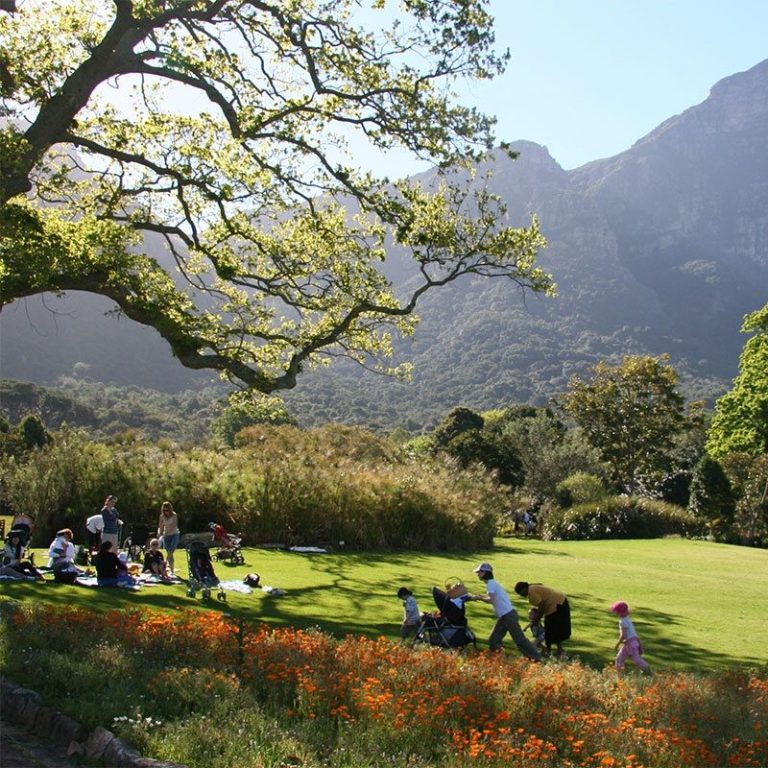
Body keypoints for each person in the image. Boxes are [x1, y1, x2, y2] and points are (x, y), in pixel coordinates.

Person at [468, 562, 541, 660]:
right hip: (504, 616)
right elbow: (492, 597)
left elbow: (491, 600)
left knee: (520, 640)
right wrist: (480, 596)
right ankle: (499, 660)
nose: (477, 574)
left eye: (479, 572)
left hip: (508, 616)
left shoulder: (490, 584)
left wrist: (479, 598)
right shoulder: (492, 583)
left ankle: (536, 658)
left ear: (485, 572)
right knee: (494, 640)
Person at [514, 581, 572, 657]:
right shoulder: (533, 588)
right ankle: (558, 650)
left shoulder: (531, 592)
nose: (520, 595)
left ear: (524, 588)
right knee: (554, 629)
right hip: (561, 600)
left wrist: (538, 618)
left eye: (520, 592)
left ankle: (550, 651)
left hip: (556, 605)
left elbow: (542, 605)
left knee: (550, 629)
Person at [611, 601, 652, 676]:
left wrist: (617, 644)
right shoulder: (627, 618)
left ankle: (648, 671)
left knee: (635, 659)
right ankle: (619, 675)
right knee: (620, 658)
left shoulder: (622, 621)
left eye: (616, 611)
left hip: (630, 643)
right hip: (633, 641)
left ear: (619, 612)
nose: (615, 613)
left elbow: (623, 635)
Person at [157, 501, 180, 573]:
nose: (165, 512)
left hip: (174, 534)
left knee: (171, 550)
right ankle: (172, 570)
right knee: (169, 553)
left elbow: (174, 526)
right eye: (164, 510)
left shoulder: (174, 515)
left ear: (170, 509)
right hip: (166, 536)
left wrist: (166, 532)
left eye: (167, 510)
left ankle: (165, 563)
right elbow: (160, 526)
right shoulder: (162, 516)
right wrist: (160, 534)